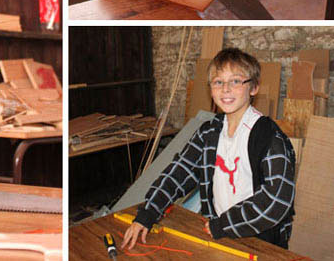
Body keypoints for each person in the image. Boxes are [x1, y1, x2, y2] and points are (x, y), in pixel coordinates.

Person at [122, 48, 295, 250]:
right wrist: (147, 214)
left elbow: (277, 199)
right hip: (220, 235)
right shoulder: (209, 132)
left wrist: (223, 224)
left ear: (254, 87)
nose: (225, 89)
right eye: (218, 82)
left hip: (260, 240)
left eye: (236, 81)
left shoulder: (268, 136)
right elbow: (179, 172)